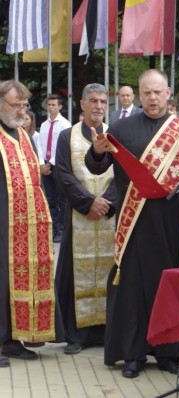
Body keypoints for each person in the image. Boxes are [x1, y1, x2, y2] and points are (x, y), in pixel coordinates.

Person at [86, 69, 179, 379]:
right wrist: (96, 151)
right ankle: (134, 354)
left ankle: (170, 354)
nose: (153, 97)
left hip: (174, 224)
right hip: (135, 225)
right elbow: (96, 166)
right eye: (147, 93)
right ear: (139, 95)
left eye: (158, 92)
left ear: (169, 93)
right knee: (132, 290)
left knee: (169, 290)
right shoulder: (120, 128)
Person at [54, 83, 117, 356]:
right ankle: (75, 334)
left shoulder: (116, 136)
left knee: (110, 272)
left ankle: (107, 331)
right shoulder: (66, 137)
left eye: (103, 101)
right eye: (93, 100)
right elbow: (63, 175)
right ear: (82, 104)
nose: (98, 106)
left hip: (110, 219)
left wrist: (106, 204)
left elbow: (123, 175)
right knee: (73, 271)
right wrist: (87, 203)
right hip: (78, 216)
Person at [0, 80, 57, 367]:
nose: (22, 111)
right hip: (1, 222)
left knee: (13, 281)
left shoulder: (23, 136)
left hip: (23, 226)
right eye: (15, 105)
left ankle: (11, 339)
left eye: (24, 105)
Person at [37, 94, 71, 243]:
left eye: (54, 105)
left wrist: (50, 163)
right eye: (49, 104)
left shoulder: (65, 124)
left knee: (61, 199)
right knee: (49, 199)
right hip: (45, 165)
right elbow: (40, 145)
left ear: (60, 107)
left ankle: (61, 229)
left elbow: (61, 147)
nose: (51, 107)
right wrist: (41, 163)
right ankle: (52, 228)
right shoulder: (44, 125)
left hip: (58, 164)